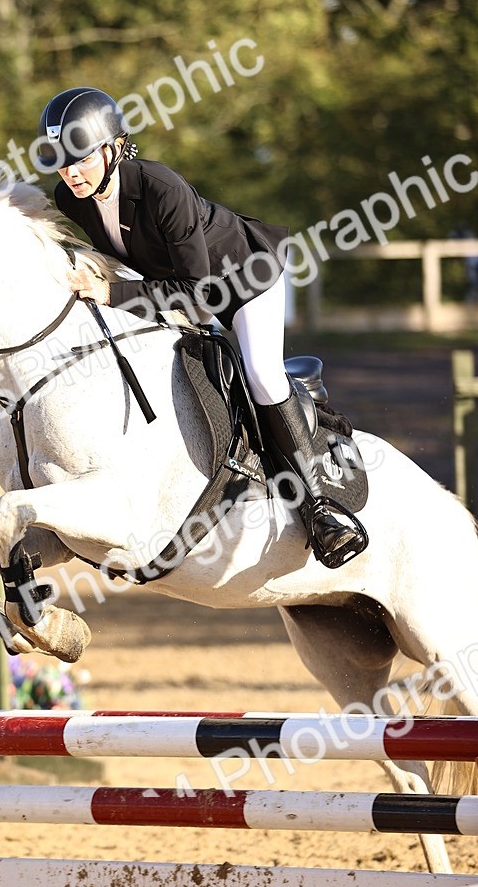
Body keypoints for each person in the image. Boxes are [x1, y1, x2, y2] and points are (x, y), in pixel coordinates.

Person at [36, 85, 366, 569]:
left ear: (112, 148)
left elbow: (198, 298)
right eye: (62, 161)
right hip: (181, 287)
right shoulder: (73, 199)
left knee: (261, 375)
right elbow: (130, 264)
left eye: (81, 158)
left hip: (243, 278)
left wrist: (111, 294)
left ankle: (319, 508)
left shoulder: (161, 188)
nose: (70, 171)